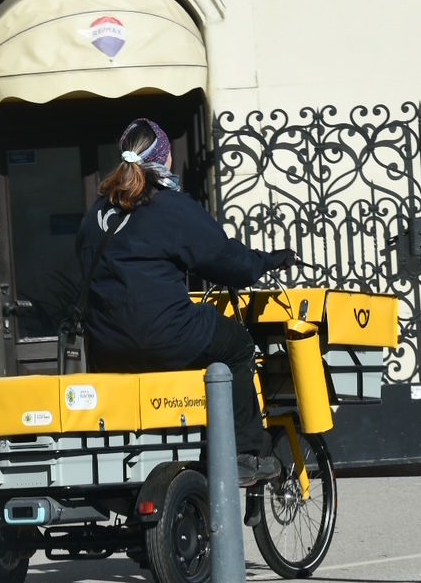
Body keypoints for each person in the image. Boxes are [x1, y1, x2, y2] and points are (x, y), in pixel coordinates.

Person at [75, 117, 295, 486]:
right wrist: (267, 261)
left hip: (106, 348)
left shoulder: (95, 213)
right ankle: (245, 453)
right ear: (165, 160)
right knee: (237, 347)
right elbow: (226, 260)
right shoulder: (171, 207)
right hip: (165, 337)